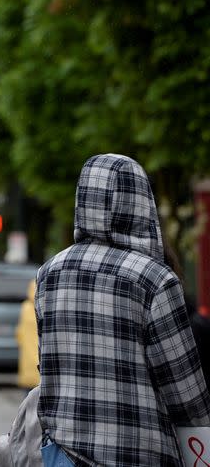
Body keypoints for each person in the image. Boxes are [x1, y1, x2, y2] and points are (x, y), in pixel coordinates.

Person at [35, 154, 210, 466]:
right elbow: (185, 391)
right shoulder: (155, 279)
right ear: (140, 200)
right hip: (135, 454)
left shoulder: (50, 273)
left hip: (63, 455)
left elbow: (47, 367)